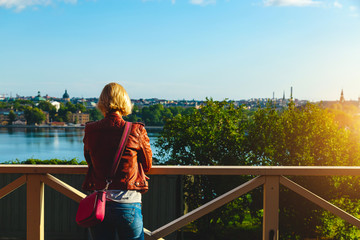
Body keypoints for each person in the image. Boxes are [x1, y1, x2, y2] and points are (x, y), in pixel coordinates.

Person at [82, 82, 152, 240]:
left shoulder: (91, 129)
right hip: (127, 203)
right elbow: (147, 165)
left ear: (102, 102)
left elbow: (90, 161)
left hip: (99, 204)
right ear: (125, 102)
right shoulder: (136, 130)